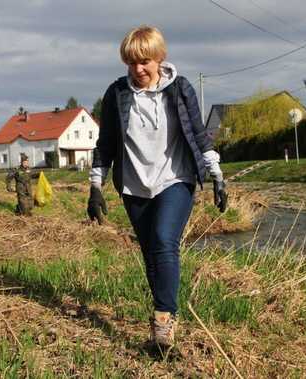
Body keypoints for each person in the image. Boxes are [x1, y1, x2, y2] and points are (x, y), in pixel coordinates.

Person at [87, 26, 228, 348]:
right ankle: (161, 312)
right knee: (151, 251)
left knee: (165, 241)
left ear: (160, 58)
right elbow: (105, 143)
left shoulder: (179, 89)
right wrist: (95, 187)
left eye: (145, 62)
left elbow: (199, 133)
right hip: (134, 185)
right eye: (131, 63)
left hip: (174, 179)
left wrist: (217, 174)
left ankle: (163, 319)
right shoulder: (117, 94)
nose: (138, 70)